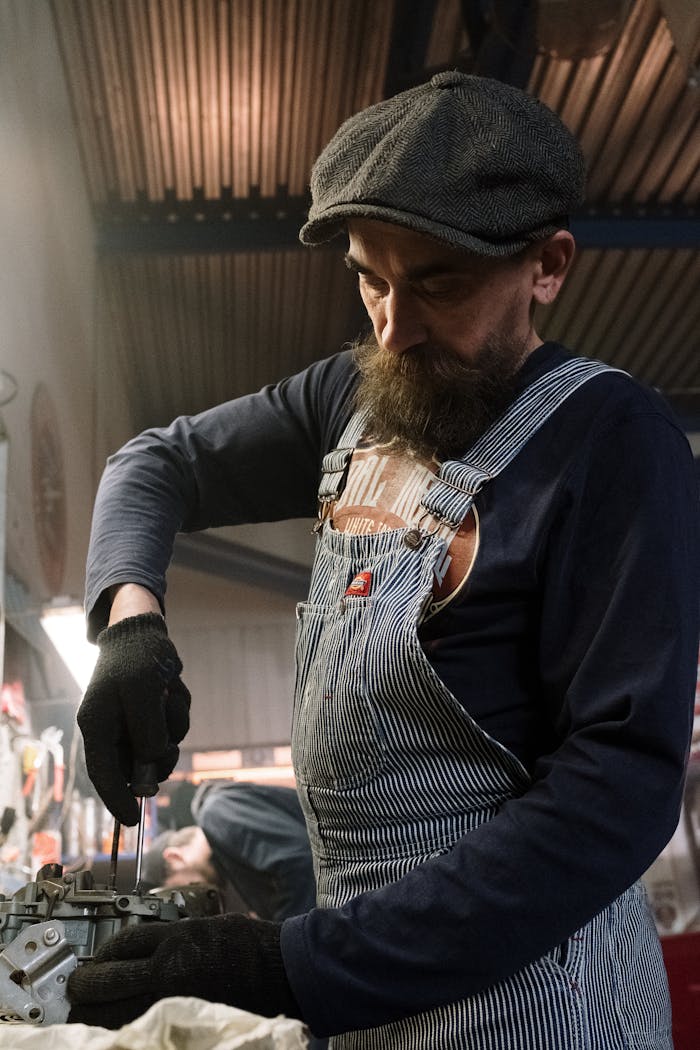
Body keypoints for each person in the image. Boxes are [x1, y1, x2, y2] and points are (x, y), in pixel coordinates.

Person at [68, 72, 699, 1049]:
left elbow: (613, 798)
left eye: (439, 283)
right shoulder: (351, 402)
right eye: (370, 278)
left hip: (539, 1008)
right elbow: (153, 465)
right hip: (365, 1004)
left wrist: (288, 965)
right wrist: (129, 627)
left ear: (547, 266)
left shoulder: (610, 443)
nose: (392, 328)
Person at [141, 779, 316, 922]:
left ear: (175, 857)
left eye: (181, 892)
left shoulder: (217, 812)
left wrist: (282, 937)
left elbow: (300, 863)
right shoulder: (228, 855)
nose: (192, 898)